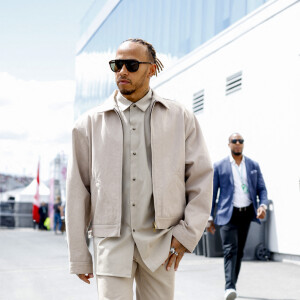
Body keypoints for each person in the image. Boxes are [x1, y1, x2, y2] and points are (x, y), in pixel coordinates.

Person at [66, 38, 213, 300]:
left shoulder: (179, 117)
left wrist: (187, 234)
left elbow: (200, 178)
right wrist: (79, 255)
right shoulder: (87, 125)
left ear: (151, 69)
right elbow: (78, 191)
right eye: (116, 65)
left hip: (161, 244)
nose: (122, 71)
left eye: (131, 65)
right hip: (110, 244)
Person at [206, 133, 268, 300]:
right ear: (229, 144)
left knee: (239, 252)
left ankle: (232, 284)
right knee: (229, 250)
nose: (238, 144)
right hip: (227, 214)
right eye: (234, 141)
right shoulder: (219, 166)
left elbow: (262, 189)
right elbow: (212, 194)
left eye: (241, 141)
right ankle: (229, 287)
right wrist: (209, 218)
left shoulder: (253, 165)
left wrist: (262, 205)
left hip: (246, 213)